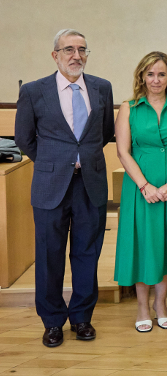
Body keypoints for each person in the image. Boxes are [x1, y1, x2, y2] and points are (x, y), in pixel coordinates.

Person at [15, 29, 114, 348]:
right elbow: (24, 139)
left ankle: (82, 317)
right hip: (50, 186)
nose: (76, 55)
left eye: (82, 49)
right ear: (55, 54)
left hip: (91, 184)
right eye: (68, 49)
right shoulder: (34, 91)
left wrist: (81, 159)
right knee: (49, 255)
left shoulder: (102, 87)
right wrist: (53, 162)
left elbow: (106, 133)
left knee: (87, 253)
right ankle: (53, 321)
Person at [114, 52, 167, 332]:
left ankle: (161, 305)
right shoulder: (129, 107)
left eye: (161, 74)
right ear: (141, 76)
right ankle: (142, 307)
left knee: (164, 245)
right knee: (144, 245)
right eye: (150, 74)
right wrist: (144, 185)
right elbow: (123, 151)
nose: (156, 79)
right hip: (140, 187)